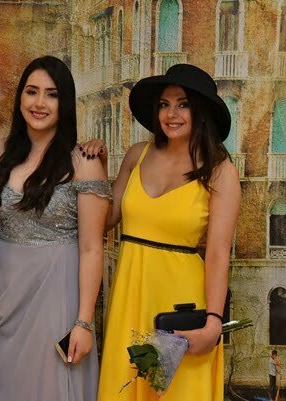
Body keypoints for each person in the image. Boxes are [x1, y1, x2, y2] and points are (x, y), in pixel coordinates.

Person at [87, 64, 241, 401]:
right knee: (125, 388)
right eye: (164, 104)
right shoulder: (137, 155)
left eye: (183, 104)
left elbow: (218, 254)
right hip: (131, 296)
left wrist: (213, 322)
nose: (171, 114)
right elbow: (106, 218)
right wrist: (97, 168)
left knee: (178, 393)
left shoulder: (221, 172)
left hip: (181, 304)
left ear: (201, 111)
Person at [0, 56, 111, 401]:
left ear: (66, 103)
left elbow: (92, 247)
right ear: (20, 97)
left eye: (52, 94)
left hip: (55, 298)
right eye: (32, 91)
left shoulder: (84, 163)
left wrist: (83, 322)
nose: (39, 103)